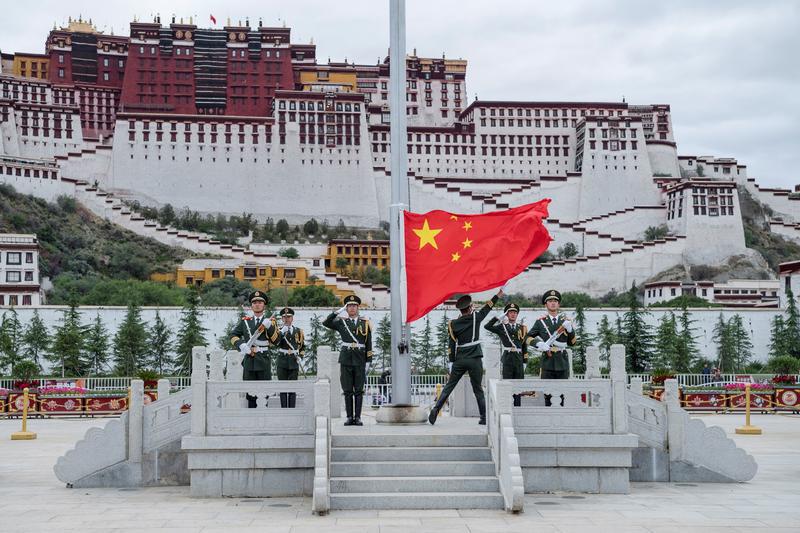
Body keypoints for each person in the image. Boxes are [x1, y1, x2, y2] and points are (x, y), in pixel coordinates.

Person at [428, 288, 504, 425]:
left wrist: (451, 362)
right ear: (470, 307)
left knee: (449, 387)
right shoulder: (476, 317)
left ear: (460, 310)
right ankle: (483, 417)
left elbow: (451, 345)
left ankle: (435, 409)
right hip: (475, 358)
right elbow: (488, 307)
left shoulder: (453, 324)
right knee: (478, 389)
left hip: (460, 359)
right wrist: (498, 295)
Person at [323, 294, 373, 426]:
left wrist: (369, 360)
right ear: (346, 308)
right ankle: (349, 417)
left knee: (359, 390)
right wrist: (337, 312)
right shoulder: (341, 322)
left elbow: (369, 343)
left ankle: (358, 417)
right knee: (347, 390)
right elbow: (326, 323)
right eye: (349, 306)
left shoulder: (365, 323)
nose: (352, 308)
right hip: (346, 359)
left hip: (360, 359)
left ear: (358, 308)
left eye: (354, 306)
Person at [229, 291, 281, 408]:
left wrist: (270, 328)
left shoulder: (270, 322)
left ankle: (264, 422)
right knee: (250, 393)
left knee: (264, 393)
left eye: (260, 302)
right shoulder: (245, 321)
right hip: (249, 360)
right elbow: (233, 335)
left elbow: (277, 341)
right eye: (254, 302)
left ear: (264, 306)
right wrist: (241, 345)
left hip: (263, 360)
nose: (257, 304)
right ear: (251, 306)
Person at [526, 290, 576, 406]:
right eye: (550, 301)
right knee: (547, 394)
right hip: (547, 362)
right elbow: (527, 337)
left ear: (559, 305)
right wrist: (538, 343)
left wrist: (570, 330)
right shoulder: (540, 323)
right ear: (546, 304)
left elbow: (572, 343)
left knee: (561, 394)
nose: (553, 303)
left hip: (562, 361)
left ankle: (561, 422)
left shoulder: (565, 322)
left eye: (555, 301)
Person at [484, 302, 529, 406]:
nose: (513, 314)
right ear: (507, 314)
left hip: (518, 358)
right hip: (507, 358)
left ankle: (517, 407)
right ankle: (506, 407)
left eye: (515, 312)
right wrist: (497, 318)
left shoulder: (522, 328)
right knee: (506, 384)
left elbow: (524, 345)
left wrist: (525, 361)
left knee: (518, 386)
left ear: (517, 314)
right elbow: (487, 326)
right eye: (510, 312)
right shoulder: (502, 327)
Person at [276, 307, 305, 408]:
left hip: (293, 361)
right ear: (282, 319)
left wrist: (300, 356)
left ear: (292, 318)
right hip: (282, 361)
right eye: (284, 317)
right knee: (283, 388)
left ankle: (292, 409)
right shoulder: (278, 331)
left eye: (289, 317)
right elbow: (276, 343)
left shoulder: (298, 331)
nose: (287, 319)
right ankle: (284, 410)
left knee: (293, 388)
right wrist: (281, 333)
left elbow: (302, 346)